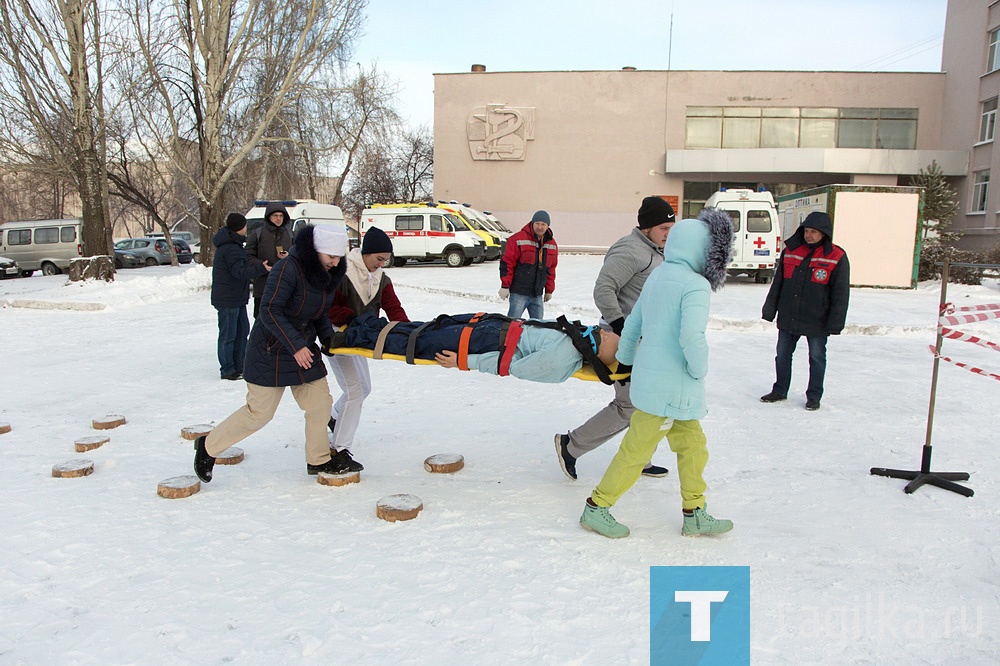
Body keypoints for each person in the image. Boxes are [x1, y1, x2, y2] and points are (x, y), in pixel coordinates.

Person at [579, 208, 735, 539]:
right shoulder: (695, 285)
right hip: (671, 390)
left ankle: (695, 512)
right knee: (636, 452)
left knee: (694, 447)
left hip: (658, 385)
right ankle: (597, 507)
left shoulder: (659, 275)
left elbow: (634, 322)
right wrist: (699, 369)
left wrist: (623, 357)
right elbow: (692, 337)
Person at [192, 224, 349, 483]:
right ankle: (208, 446)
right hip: (271, 348)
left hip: (303, 348)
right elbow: (269, 310)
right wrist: (296, 345)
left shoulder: (328, 274)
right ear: (316, 250)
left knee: (320, 405)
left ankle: (319, 460)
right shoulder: (288, 268)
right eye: (330, 256)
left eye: (338, 257)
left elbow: (320, 313)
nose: (334, 262)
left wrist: (329, 339)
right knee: (259, 413)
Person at [555, 196, 676, 480]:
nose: (668, 234)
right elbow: (603, 290)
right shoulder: (630, 249)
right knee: (629, 405)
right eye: (663, 228)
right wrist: (623, 327)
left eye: (671, 228)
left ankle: (639, 457)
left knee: (650, 402)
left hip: (647, 341)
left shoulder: (654, 250)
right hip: (625, 341)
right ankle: (570, 446)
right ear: (646, 227)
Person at [325, 312, 619, 384]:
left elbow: (510, 366)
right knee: (422, 328)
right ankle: (360, 326)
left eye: (607, 336)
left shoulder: (561, 364)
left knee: (411, 345)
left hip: (483, 343)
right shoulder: (576, 332)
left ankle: (347, 339)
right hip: (491, 325)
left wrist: (465, 361)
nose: (604, 331)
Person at [324, 227, 409, 473]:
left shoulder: (381, 279)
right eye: (378, 259)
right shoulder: (342, 273)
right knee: (355, 392)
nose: (381, 264)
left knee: (364, 388)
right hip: (337, 338)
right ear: (366, 253)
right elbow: (329, 308)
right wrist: (354, 319)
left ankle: (333, 416)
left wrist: (408, 331)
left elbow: (394, 308)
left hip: (360, 340)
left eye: (386, 260)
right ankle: (339, 450)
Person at [760, 211, 850, 411]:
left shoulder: (837, 256)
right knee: (782, 355)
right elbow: (778, 284)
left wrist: (835, 322)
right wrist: (770, 309)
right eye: (807, 231)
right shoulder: (791, 251)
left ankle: (814, 396)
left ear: (824, 234)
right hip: (789, 315)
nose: (809, 235)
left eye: (814, 232)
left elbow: (840, 294)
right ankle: (780, 390)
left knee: (817, 358)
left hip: (817, 320)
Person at [210, 213, 271, 380]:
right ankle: (228, 369)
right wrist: (262, 269)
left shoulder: (233, 245)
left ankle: (239, 366)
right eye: (245, 225)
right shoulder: (230, 247)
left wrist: (258, 264)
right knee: (229, 335)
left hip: (235, 298)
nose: (247, 228)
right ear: (240, 227)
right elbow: (240, 272)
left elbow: (242, 265)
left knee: (241, 331)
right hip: (228, 299)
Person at [498, 210, 558, 319]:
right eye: (537, 223)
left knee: (538, 326)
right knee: (512, 325)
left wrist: (549, 290)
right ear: (532, 223)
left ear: (547, 226)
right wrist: (505, 286)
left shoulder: (552, 244)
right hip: (519, 293)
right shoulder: (517, 239)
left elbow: (551, 269)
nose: (540, 227)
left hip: (537, 294)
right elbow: (507, 263)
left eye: (543, 224)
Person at [245, 202, 294, 319]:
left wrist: (289, 255)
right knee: (262, 320)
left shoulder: (289, 234)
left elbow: (298, 255)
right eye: (275, 216)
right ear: (268, 217)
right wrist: (261, 265)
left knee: (282, 321)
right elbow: (247, 255)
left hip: (284, 285)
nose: (278, 219)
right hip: (263, 285)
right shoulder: (257, 234)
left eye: (281, 216)